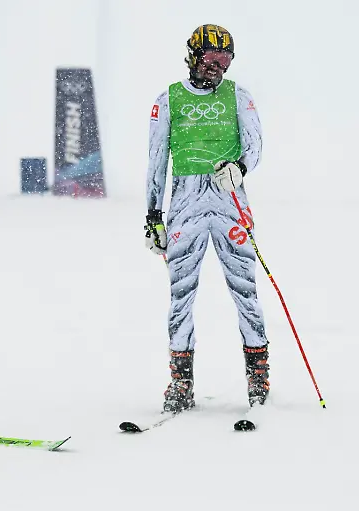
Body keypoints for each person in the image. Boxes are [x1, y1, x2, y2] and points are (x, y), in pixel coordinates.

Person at [144, 25, 268, 413]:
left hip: (230, 202)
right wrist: (153, 216)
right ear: (193, 57)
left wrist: (241, 168)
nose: (216, 69)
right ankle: (181, 384)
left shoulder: (238, 97)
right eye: (210, 60)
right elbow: (156, 160)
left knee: (245, 291)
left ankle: (258, 380)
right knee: (180, 296)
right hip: (186, 204)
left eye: (224, 61)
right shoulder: (169, 100)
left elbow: (255, 145)